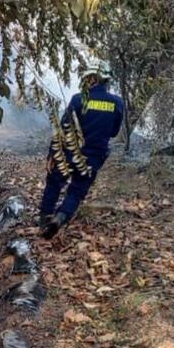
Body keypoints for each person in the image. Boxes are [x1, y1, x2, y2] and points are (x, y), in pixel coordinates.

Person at [39, 63, 124, 240]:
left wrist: (52, 155)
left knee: (55, 182)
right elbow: (114, 132)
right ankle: (60, 218)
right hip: (94, 157)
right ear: (106, 81)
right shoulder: (117, 103)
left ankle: (45, 218)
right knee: (77, 191)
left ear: (91, 79)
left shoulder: (78, 100)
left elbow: (63, 129)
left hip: (70, 154)